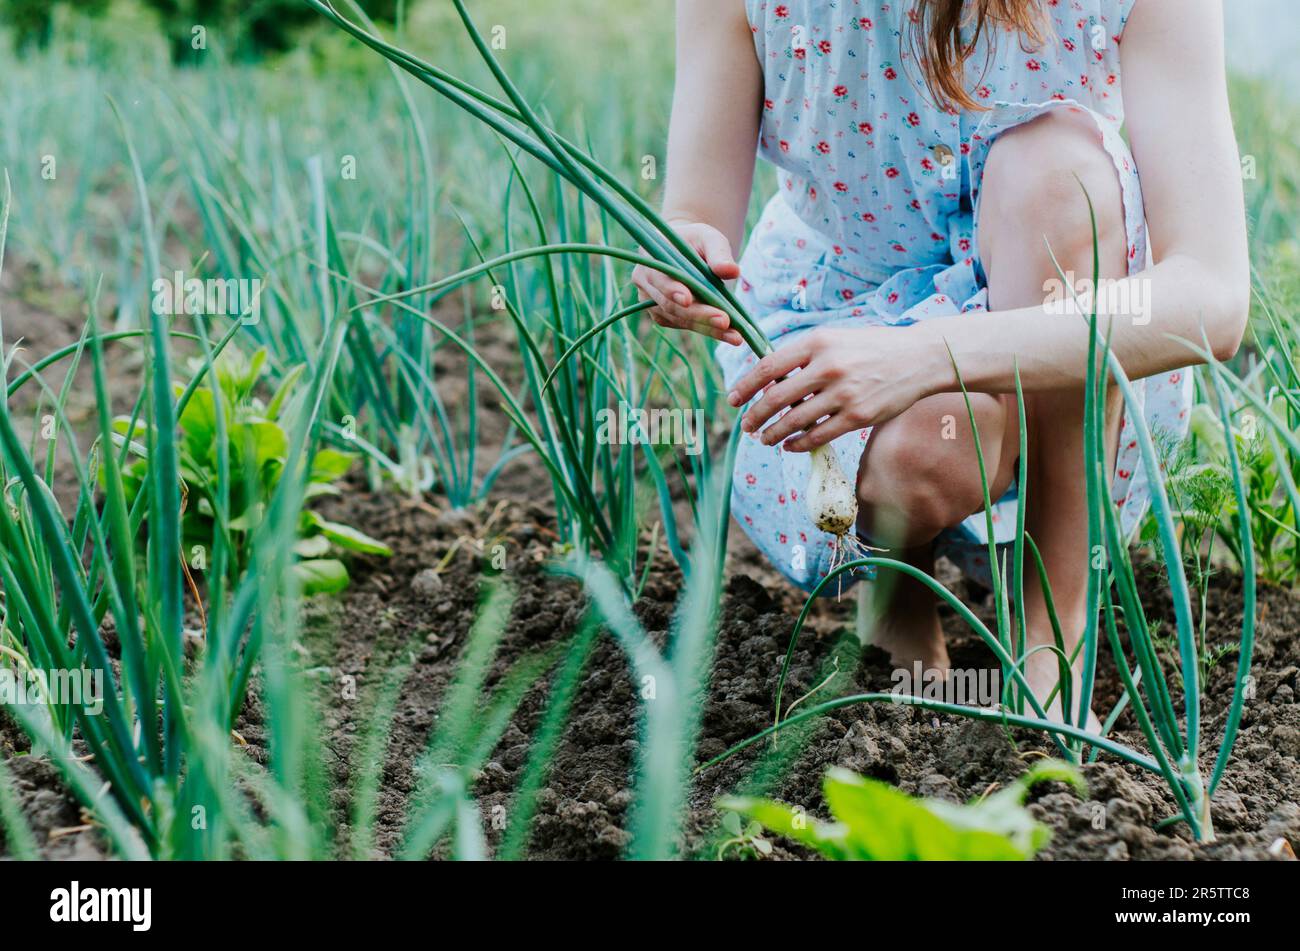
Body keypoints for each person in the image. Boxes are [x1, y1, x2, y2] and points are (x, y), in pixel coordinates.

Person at [631, 0, 1249, 715]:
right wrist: (682, 257)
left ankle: (1053, 628)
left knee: (1058, 176)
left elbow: (1213, 297)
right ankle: (897, 600)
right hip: (838, 312)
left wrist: (923, 355)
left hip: (1056, 315)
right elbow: (695, 214)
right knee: (932, 451)